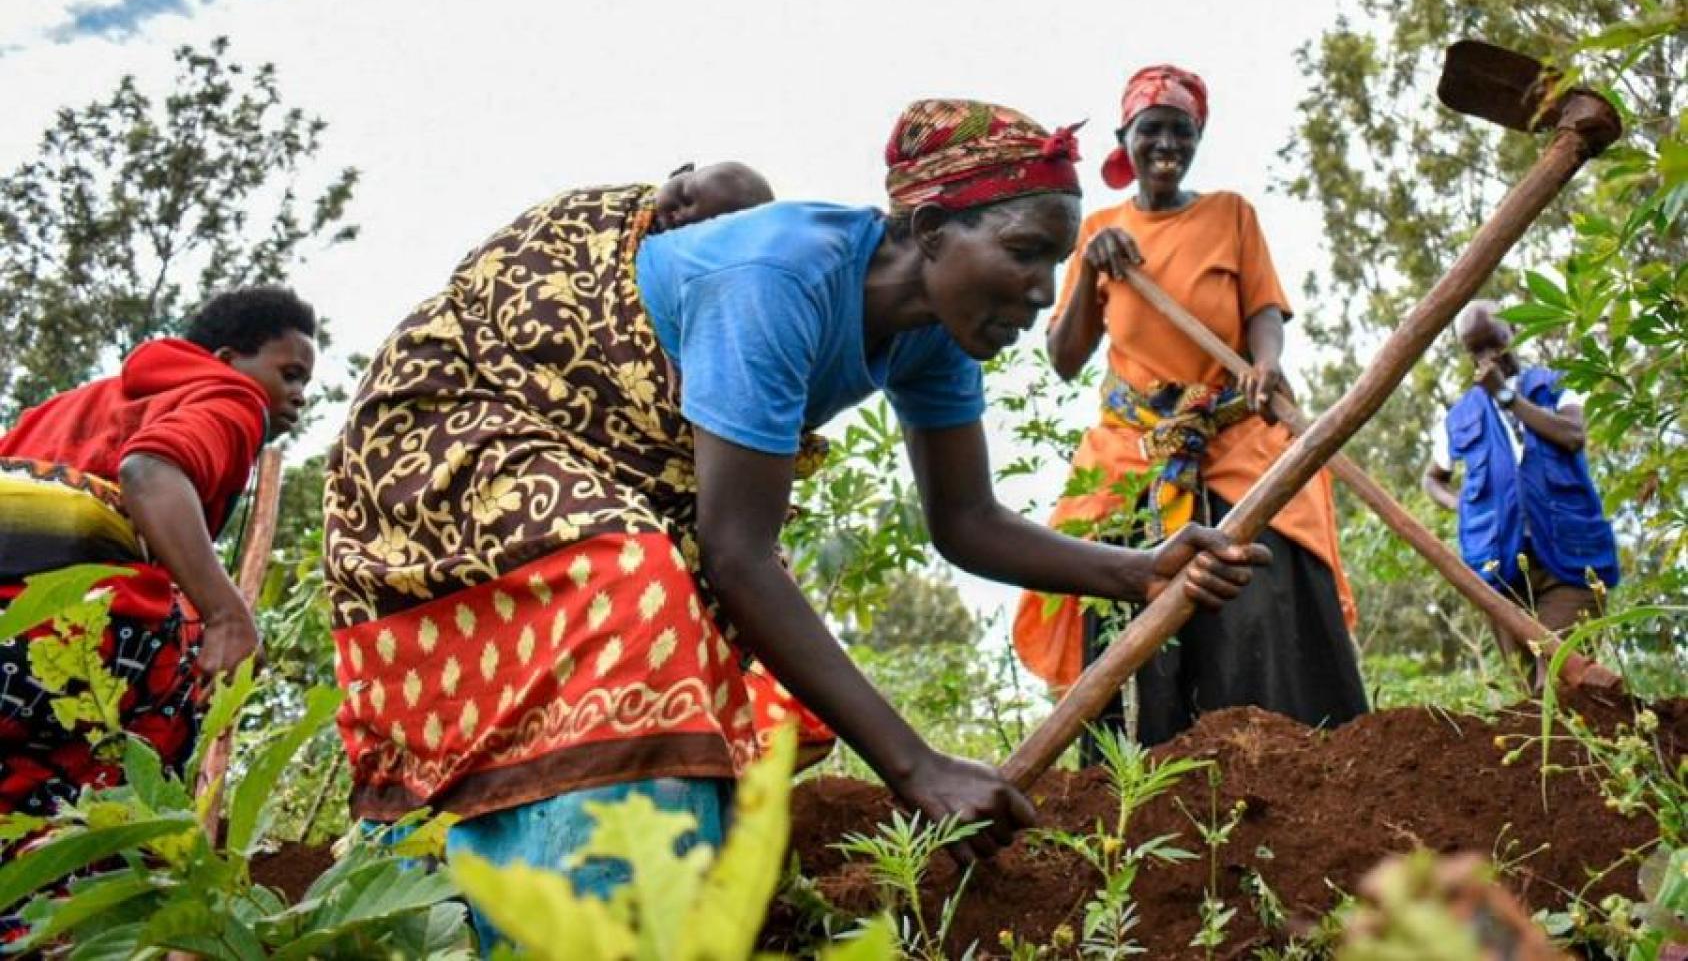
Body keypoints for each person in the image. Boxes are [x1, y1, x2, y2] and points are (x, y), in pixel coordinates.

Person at [323, 103, 1267, 941]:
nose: (1040, 289)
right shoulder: (778, 278)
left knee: (677, 622)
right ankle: (560, 918)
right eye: (1023, 253)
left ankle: (659, 906)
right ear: (932, 229)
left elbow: (967, 519)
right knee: (636, 592)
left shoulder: (935, 337)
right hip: (458, 424)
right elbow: (739, 553)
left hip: (605, 467)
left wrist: (1137, 570)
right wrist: (916, 764)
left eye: (1053, 264)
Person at [1013, 65, 1366, 746]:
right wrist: (1090, 266)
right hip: (1134, 448)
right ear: (1127, 139)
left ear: (1198, 137)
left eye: (1182, 130)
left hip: (1233, 438)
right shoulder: (1100, 231)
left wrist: (1265, 364)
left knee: (1262, 584)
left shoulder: (1231, 214)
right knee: (1111, 586)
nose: (1167, 143)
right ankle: (1131, 782)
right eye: (1153, 129)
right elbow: (1062, 358)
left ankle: (1285, 760)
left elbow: (1264, 312)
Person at [0, 287, 317, 814]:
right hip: (62, 636)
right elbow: (149, 469)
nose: (301, 396)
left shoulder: (63, 408)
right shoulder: (233, 397)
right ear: (228, 360)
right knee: (122, 808)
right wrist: (226, 613)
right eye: (290, 374)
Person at [1422, 300, 1618, 685]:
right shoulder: (1458, 417)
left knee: (1561, 682)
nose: (1488, 356)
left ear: (1513, 333)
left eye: (1494, 343)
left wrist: (1507, 397)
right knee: (1529, 694)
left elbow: (1572, 436)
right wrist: (1462, 506)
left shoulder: (1558, 384)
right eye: (1475, 350)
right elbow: (1432, 479)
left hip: (1569, 558)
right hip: (1501, 567)